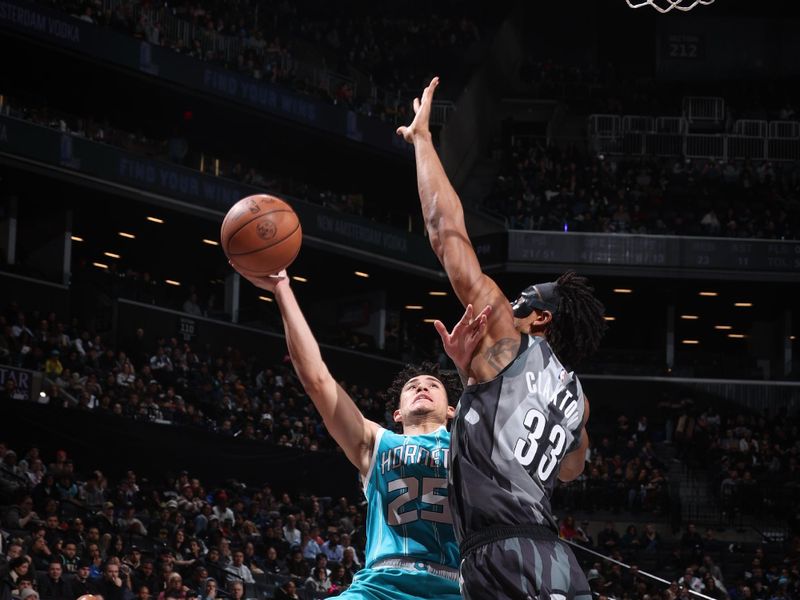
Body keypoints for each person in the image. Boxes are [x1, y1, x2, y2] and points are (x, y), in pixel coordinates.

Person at [398, 76, 607, 600]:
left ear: (541, 321)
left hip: (501, 556)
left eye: (521, 301)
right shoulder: (577, 397)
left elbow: (446, 232)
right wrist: (473, 385)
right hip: (554, 558)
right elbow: (574, 466)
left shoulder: (505, 338)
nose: (507, 303)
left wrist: (424, 141)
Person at [234, 268, 489, 600]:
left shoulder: (467, 445)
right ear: (397, 412)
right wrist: (282, 288)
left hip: (453, 586)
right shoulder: (377, 442)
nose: (421, 387)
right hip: (380, 586)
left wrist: (465, 367)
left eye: (432, 385)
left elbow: (496, 406)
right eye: (412, 386)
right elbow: (317, 380)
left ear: (452, 408)